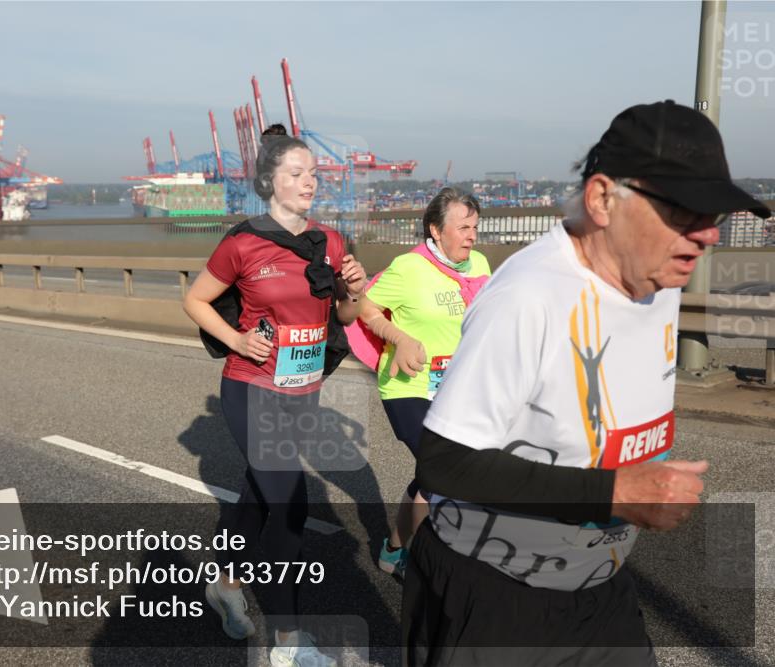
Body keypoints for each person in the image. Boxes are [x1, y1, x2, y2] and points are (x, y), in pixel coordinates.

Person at [401, 100, 771, 666]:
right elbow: (442, 462)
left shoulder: (661, 278)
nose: (707, 237)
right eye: (685, 212)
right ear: (602, 199)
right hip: (495, 600)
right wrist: (615, 492)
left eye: (714, 216)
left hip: (601, 594)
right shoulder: (528, 296)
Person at [183, 123, 367, 667]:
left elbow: (346, 317)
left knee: (258, 497)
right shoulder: (243, 242)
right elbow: (196, 301)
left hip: (303, 389)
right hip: (250, 387)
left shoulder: (331, 242)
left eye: (313, 173)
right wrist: (238, 337)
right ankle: (290, 644)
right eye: (297, 173)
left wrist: (353, 290)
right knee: (289, 503)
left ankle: (226, 583)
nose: (310, 181)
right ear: (270, 181)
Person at [353, 188, 491, 576]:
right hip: (409, 386)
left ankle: (394, 548)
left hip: (459, 388)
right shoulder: (408, 268)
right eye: (463, 227)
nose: (472, 236)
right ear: (435, 229)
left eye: (475, 227)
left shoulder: (479, 264)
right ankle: (454, 562)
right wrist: (398, 337)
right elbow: (365, 305)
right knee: (447, 470)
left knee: (433, 476)